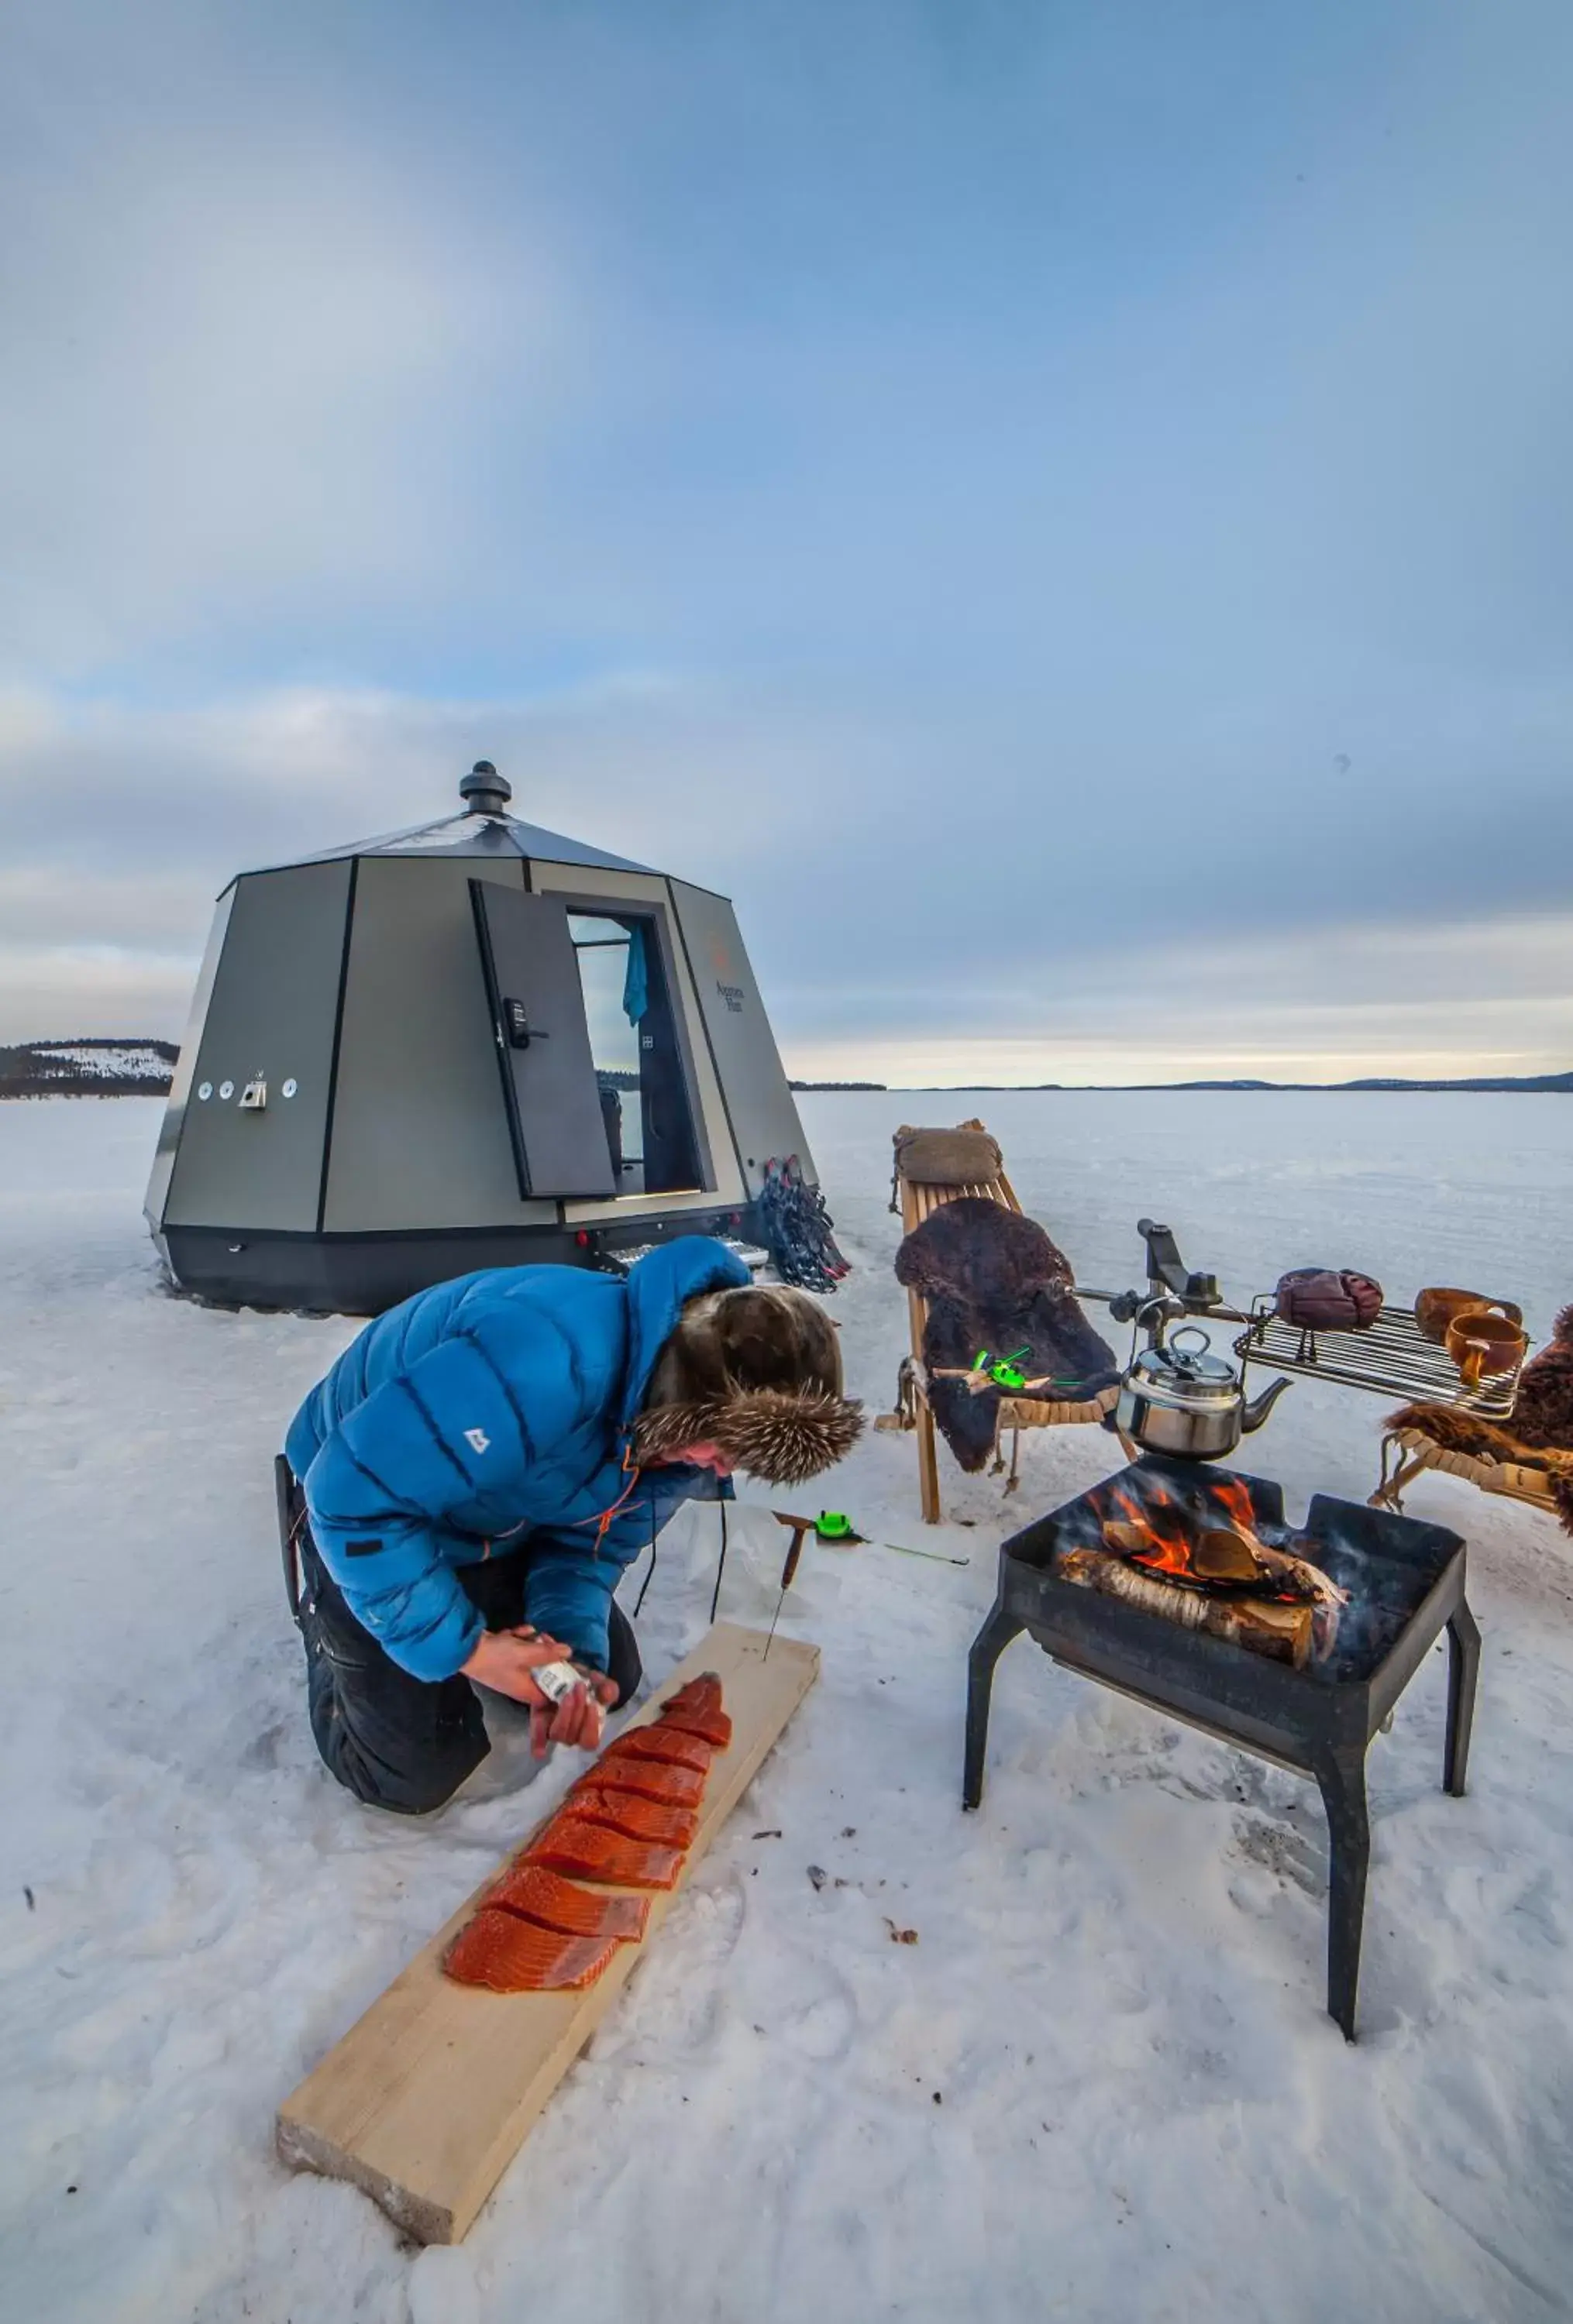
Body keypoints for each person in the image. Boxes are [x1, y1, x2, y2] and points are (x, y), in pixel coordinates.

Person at [277, 1239, 862, 1814]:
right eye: (723, 1442)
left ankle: (464, 1595)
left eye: (741, 1456)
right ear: (684, 1391)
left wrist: (568, 1655)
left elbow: (591, 1548)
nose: (723, 1467)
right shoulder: (543, 1362)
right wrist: (473, 1651)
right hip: (362, 1508)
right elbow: (351, 1495)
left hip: (496, 1510)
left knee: (600, 1677)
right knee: (415, 1775)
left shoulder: (675, 1446)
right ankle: (327, 1620)